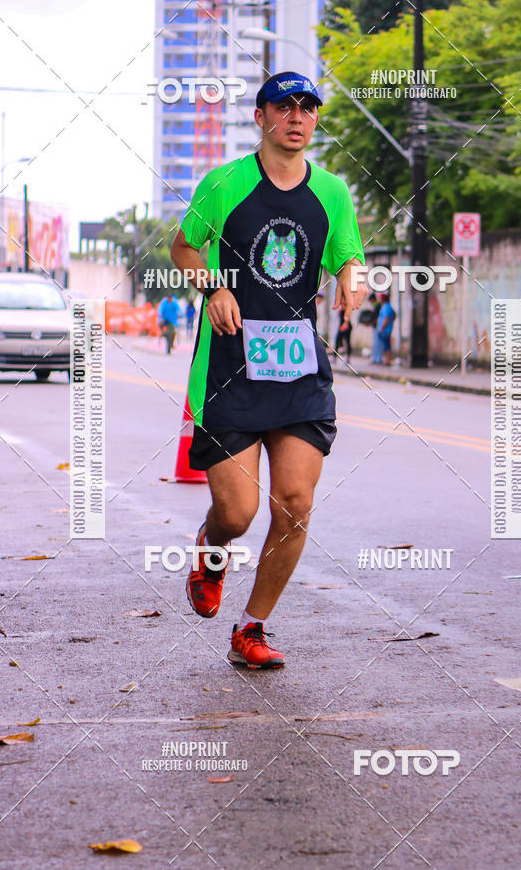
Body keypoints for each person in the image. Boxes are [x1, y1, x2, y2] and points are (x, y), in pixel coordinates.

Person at [170, 71, 367, 670]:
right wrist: (212, 288)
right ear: (261, 117)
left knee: (295, 502)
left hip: (299, 368)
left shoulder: (331, 191)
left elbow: (348, 252)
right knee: (237, 513)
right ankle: (212, 547)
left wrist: (352, 279)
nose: (298, 117)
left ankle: (252, 628)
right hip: (230, 367)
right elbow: (183, 247)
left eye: (308, 107)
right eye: (285, 106)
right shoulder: (226, 182)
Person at [376, 292, 396, 366]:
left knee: (386, 345)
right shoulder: (385, 306)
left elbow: (386, 318)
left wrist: (382, 327)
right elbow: (394, 315)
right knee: (385, 345)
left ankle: (388, 360)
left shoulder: (387, 307)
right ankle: (386, 360)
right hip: (385, 329)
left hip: (385, 330)